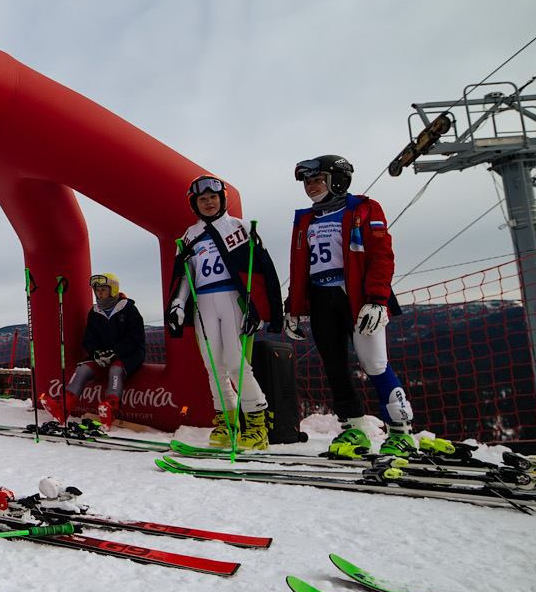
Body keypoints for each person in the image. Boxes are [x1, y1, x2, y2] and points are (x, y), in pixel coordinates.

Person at [284, 154, 413, 456]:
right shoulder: (306, 219)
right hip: (321, 297)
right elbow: (299, 266)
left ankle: (401, 430)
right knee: (335, 367)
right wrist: (293, 306)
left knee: (374, 363)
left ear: (338, 181)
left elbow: (381, 256)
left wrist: (377, 299)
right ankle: (354, 429)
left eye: (318, 180)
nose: (311, 186)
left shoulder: (364, 209)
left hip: (356, 297)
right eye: (307, 182)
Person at [165, 175, 284, 449]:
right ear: (194, 204)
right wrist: (178, 304)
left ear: (222, 199)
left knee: (237, 365)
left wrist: (260, 309)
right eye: (202, 199)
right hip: (204, 303)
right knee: (213, 367)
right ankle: (227, 423)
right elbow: (185, 273)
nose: (208, 202)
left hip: (233, 299)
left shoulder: (240, 227)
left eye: (213, 197)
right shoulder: (190, 235)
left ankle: (257, 425)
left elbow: (261, 268)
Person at [39, 272, 145, 428]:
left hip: (129, 353)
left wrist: (115, 352)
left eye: (103, 290)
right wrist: (96, 352)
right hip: (103, 354)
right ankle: (63, 406)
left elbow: (135, 338)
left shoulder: (128, 309)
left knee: (115, 370)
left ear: (113, 290)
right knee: (82, 369)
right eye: (97, 290)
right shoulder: (95, 312)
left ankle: (110, 407)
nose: (99, 293)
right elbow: (89, 338)